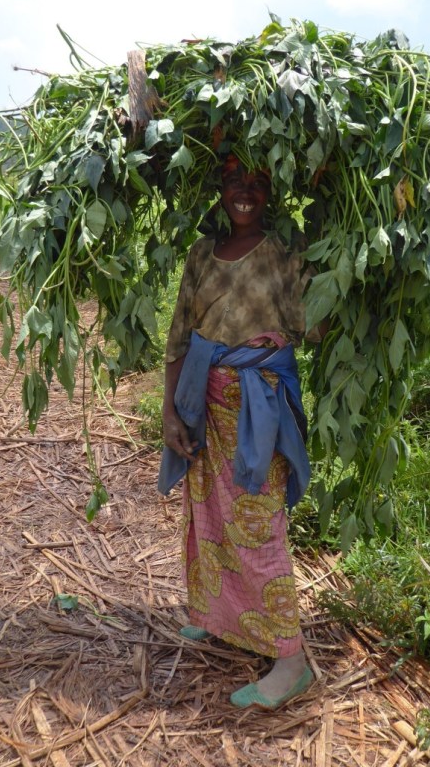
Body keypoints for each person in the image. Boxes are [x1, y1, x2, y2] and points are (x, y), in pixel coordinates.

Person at [158, 154, 320, 710]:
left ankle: (291, 661)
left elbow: (315, 324)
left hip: (258, 408)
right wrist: (169, 413)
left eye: (256, 183)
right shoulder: (202, 252)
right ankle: (218, 615)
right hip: (203, 403)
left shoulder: (286, 253)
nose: (244, 193)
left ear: (271, 192)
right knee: (207, 515)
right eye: (234, 182)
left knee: (256, 523)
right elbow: (180, 336)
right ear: (220, 190)